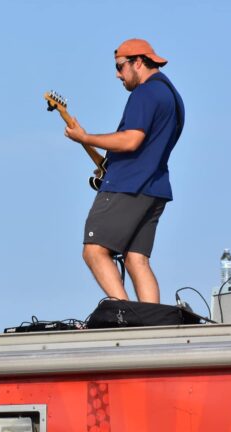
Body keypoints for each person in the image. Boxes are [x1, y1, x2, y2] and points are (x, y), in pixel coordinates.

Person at [64, 39, 184, 304]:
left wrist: (85, 137)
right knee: (135, 258)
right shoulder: (172, 96)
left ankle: (126, 312)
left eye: (120, 67)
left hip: (128, 186)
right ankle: (151, 324)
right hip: (156, 188)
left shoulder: (145, 93)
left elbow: (131, 140)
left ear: (138, 62)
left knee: (94, 250)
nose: (117, 74)